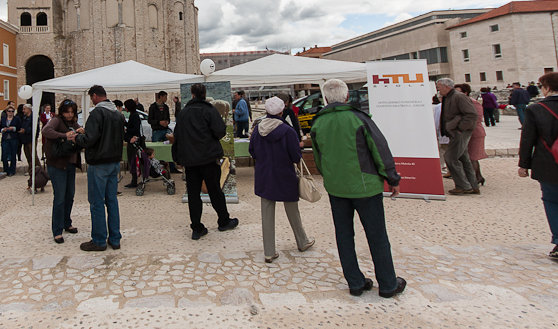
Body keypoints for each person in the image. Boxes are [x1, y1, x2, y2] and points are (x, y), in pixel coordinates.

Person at [310, 79, 406, 299]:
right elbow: (379, 149)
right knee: (377, 235)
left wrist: (330, 178)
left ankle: (355, 282)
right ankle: (388, 284)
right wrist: (392, 177)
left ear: (326, 99)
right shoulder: (358, 118)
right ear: (346, 97)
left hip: (336, 187)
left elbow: (318, 158)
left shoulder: (318, 123)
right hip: (365, 187)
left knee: (344, 235)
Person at [249, 97, 314, 263]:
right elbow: (295, 156)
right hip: (284, 173)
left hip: (264, 173)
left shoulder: (257, 129)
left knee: (267, 212)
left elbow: (253, 151)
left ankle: (269, 251)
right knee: (293, 210)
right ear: (281, 111)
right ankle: (302, 241)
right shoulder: (288, 131)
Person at [172, 83, 238, 240]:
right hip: (208, 158)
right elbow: (220, 131)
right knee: (215, 191)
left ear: (192, 94)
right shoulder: (210, 110)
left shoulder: (184, 113)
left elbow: (178, 136)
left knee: (194, 194)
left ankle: (197, 227)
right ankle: (223, 221)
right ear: (204, 94)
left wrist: (177, 158)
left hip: (190, 160)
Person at [68, 85, 124, 251]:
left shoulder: (97, 113)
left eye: (91, 98)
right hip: (114, 162)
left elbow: (90, 140)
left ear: (94, 96)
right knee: (112, 201)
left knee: (97, 203)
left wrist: (77, 137)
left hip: (99, 163)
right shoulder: (118, 114)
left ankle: (99, 240)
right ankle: (115, 238)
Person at [518, 72, 558, 260]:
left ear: (547, 88)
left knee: (552, 201)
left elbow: (528, 139)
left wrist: (524, 164)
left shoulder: (536, 108)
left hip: (548, 162)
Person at [42, 99, 84, 244]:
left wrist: (80, 131)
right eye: (67, 112)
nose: (69, 114)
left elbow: (79, 131)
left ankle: (67, 222)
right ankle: (57, 230)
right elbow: (46, 131)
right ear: (62, 111)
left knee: (70, 195)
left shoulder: (73, 122)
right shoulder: (56, 121)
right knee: (59, 197)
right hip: (57, 164)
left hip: (70, 163)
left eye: (72, 112)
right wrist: (64, 135)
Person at [435, 78, 480, 195]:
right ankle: (473, 185)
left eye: (439, 87)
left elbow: (471, 115)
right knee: (463, 158)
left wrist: (460, 129)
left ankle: (463, 186)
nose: (438, 90)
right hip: (455, 132)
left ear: (446, 87)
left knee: (450, 157)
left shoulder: (458, 97)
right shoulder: (449, 97)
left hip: (460, 132)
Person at [455, 84, 488, 186]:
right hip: (465, 132)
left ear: (465, 92)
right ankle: (478, 177)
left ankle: (472, 180)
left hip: (474, 132)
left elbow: (477, 118)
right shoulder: (458, 102)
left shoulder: (473, 102)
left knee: (472, 157)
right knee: (468, 157)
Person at [123, 99, 143, 188]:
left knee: (132, 160)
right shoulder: (133, 115)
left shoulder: (134, 116)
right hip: (132, 140)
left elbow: (135, 129)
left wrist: (127, 130)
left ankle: (134, 180)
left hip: (133, 141)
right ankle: (134, 179)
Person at [0, 106, 21, 177]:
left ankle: (12, 170)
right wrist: (3, 130)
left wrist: (13, 128)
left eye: (12, 111)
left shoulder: (17, 119)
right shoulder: (3, 119)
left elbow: (19, 127)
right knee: (4, 155)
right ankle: (5, 169)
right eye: (9, 111)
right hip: (5, 138)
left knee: (13, 154)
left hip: (14, 138)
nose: (11, 113)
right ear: (6, 112)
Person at [432, 95, 450, 176]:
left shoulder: (439, 106)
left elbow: (436, 121)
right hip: (450, 133)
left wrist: (435, 132)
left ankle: (443, 167)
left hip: (444, 133)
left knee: (443, 152)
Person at [18, 104, 40, 171]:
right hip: (25, 139)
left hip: (31, 139)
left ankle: (39, 169)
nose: (23, 110)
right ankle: (31, 168)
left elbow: (35, 129)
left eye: (24, 109)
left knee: (33, 154)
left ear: (29, 109)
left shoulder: (34, 117)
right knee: (27, 154)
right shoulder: (24, 117)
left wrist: (26, 130)